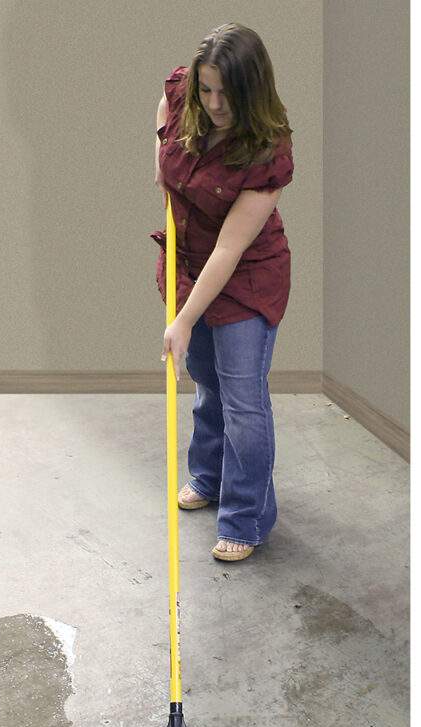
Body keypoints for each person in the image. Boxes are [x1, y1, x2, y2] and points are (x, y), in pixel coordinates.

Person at [151, 23, 295, 563]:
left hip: (245, 276)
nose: (212, 103)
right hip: (190, 263)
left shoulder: (267, 147)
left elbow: (229, 251)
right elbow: (163, 114)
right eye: (206, 90)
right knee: (207, 384)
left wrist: (183, 321)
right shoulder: (184, 91)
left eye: (225, 94)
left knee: (243, 403)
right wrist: (160, 171)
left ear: (251, 89)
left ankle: (246, 518)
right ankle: (208, 477)